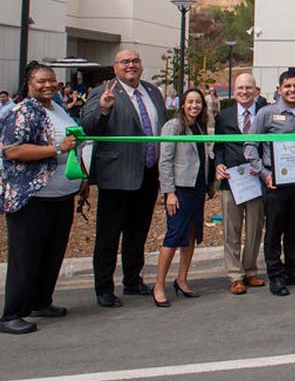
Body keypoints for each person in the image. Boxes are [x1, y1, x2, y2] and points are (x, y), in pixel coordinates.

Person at [0, 62, 83, 334]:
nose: (48, 85)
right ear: (29, 83)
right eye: (41, 81)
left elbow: (73, 146)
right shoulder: (21, 111)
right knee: (26, 256)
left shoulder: (56, 108)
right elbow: (12, 150)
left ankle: (40, 301)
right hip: (32, 196)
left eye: (52, 81)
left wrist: (83, 178)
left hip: (61, 194)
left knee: (51, 253)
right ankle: (12, 314)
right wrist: (57, 147)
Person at [80, 49, 168, 308]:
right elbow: (88, 128)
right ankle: (104, 288)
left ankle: (132, 279)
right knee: (109, 236)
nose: (131, 65)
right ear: (115, 67)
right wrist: (104, 111)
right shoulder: (104, 92)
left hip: (148, 174)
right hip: (117, 176)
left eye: (135, 61)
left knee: (137, 233)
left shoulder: (152, 92)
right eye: (125, 62)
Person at [245, 69, 295, 297]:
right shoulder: (266, 114)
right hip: (275, 184)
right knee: (274, 231)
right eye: (287, 86)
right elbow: (249, 146)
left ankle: (292, 271)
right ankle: (275, 276)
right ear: (279, 89)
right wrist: (264, 173)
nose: (292, 90)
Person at [153, 87, 214, 307]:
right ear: (182, 104)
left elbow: (202, 156)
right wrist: (169, 192)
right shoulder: (173, 126)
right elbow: (165, 161)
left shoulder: (199, 126)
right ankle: (159, 285)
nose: (194, 106)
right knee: (174, 235)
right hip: (180, 189)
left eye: (198, 102)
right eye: (190, 102)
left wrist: (209, 184)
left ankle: (182, 279)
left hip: (197, 187)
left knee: (191, 234)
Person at [213, 72, 268, 295]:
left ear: (256, 91)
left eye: (248, 88)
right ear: (234, 91)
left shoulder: (265, 114)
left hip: (257, 178)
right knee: (231, 230)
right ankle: (235, 275)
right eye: (240, 88)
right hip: (232, 180)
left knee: (255, 228)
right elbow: (218, 146)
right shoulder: (223, 117)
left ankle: (250, 270)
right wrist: (218, 164)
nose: (244, 92)